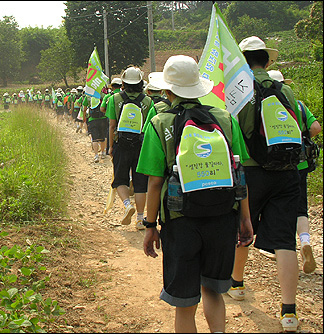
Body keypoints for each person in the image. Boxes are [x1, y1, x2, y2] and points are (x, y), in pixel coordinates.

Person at [137, 55, 253, 333]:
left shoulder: (159, 122)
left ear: (167, 90)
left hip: (180, 221)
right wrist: (245, 218)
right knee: (213, 290)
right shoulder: (225, 118)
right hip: (223, 216)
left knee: (185, 304)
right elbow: (239, 173)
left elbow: (154, 183)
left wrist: (150, 226)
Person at [230, 36, 301, 332]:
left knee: (244, 226)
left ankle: (237, 284)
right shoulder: (285, 90)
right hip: (287, 172)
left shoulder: (240, 91)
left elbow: (240, 131)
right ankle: (289, 312)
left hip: (252, 171)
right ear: (267, 61)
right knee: (285, 241)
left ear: (241, 64)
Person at [263, 70, 321, 274]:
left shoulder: (263, 104)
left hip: (276, 165)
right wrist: (301, 134)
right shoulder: (298, 105)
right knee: (300, 208)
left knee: (277, 208)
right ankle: (305, 241)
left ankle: (282, 249)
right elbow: (316, 127)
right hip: (300, 164)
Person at [106, 66, 155, 230]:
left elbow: (112, 126)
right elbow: (149, 128)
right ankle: (140, 219)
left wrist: (111, 147)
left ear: (123, 82)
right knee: (140, 183)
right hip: (140, 145)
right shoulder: (148, 101)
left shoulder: (114, 99)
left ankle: (127, 205)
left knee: (120, 179)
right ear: (141, 82)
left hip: (121, 144)